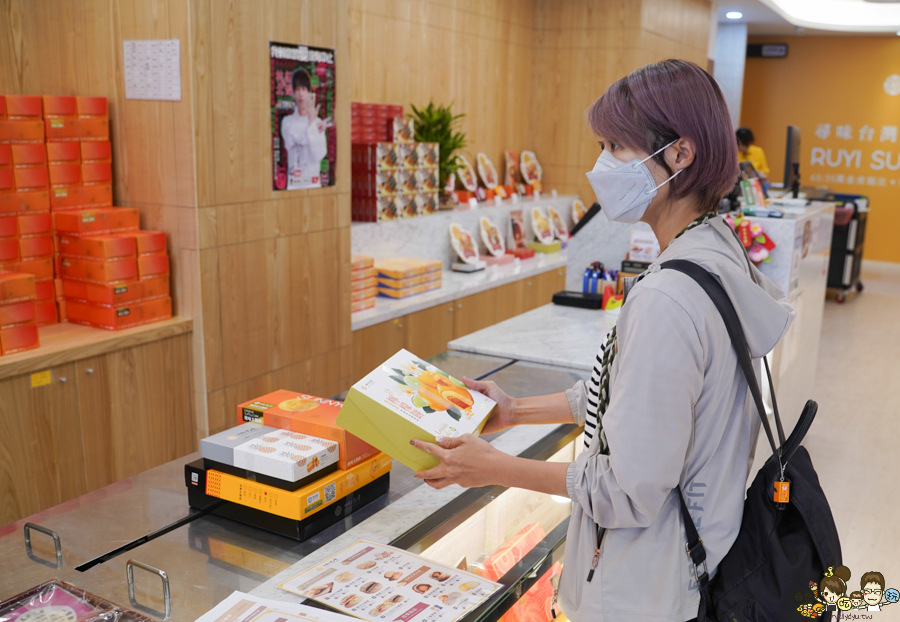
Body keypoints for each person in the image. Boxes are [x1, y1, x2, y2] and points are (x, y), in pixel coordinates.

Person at [409, 59, 794, 621]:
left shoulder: (667, 298)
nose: (601, 165)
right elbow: (624, 392)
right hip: (691, 565)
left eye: (617, 146)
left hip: (644, 589)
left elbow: (627, 491)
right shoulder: (714, 250)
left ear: (680, 154)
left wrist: (493, 467)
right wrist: (515, 410)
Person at [280, 68, 331, 189]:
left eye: (304, 89)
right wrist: (312, 129)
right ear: (293, 93)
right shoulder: (287, 122)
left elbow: (319, 154)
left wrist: (312, 122)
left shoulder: (317, 122)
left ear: (310, 94)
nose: (301, 93)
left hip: (313, 185)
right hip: (294, 186)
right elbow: (290, 144)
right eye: (297, 89)